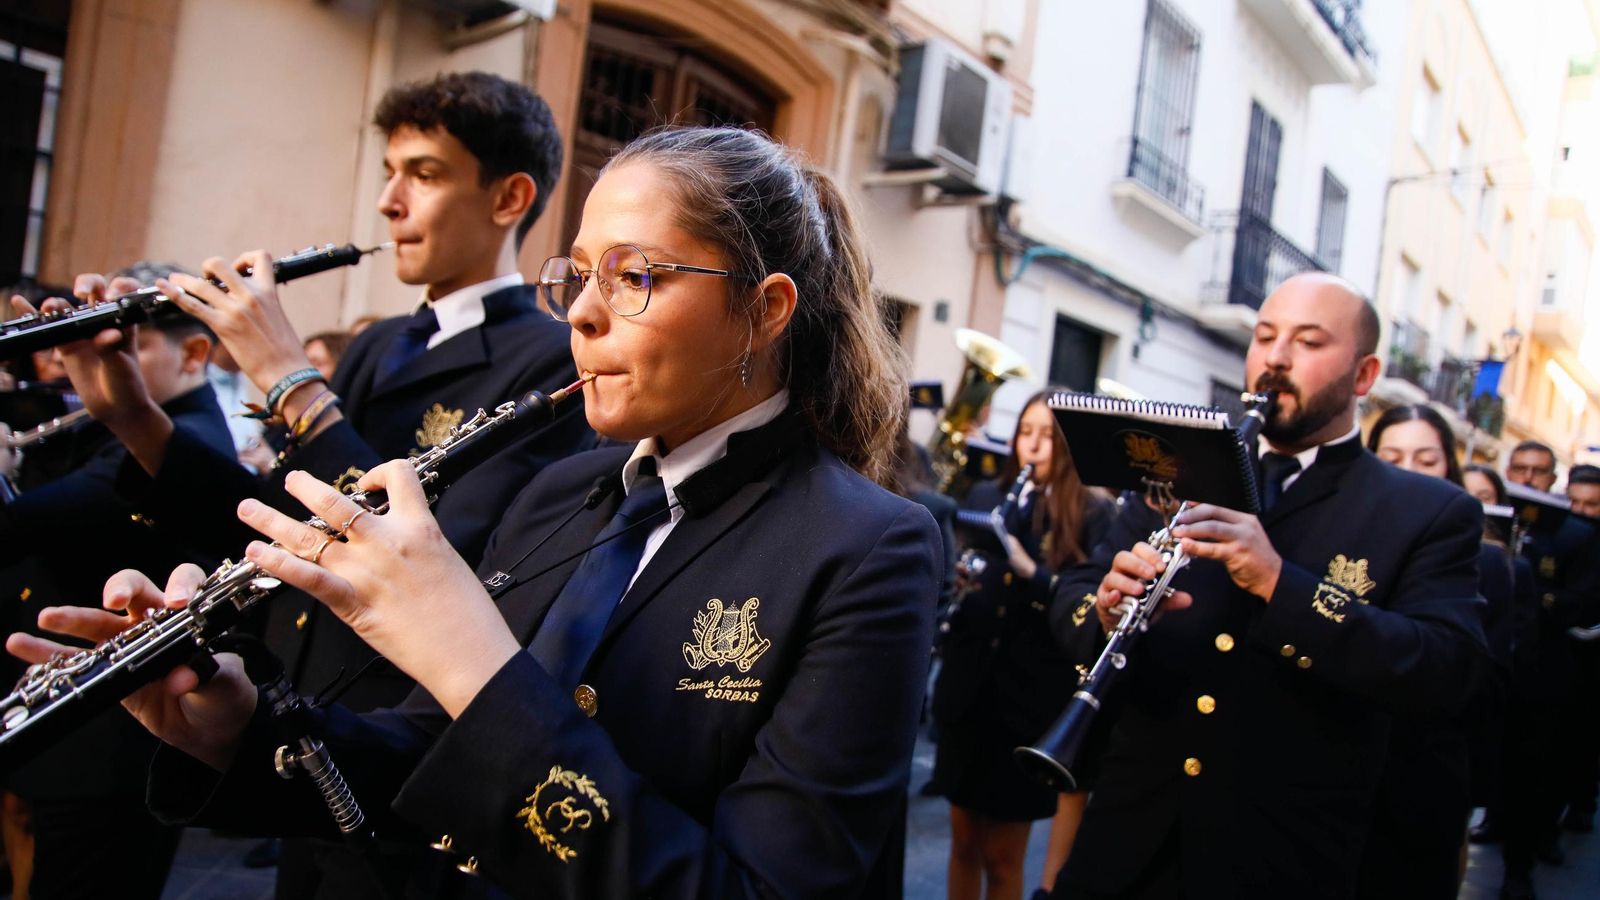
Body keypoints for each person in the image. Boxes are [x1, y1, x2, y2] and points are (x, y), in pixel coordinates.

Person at [12, 126, 941, 898]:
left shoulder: (867, 547)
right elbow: (424, 756)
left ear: (765, 309)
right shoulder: (557, 493)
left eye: (632, 276)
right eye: (577, 275)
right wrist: (233, 724)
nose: (581, 312)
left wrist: (469, 655)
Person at [47, 71, 592, 899]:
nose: (389, 201)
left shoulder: (550, 358)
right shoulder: (381, 350)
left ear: (510, 197)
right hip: (304, 725)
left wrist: (288, 377)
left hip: (402, 754)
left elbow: (443, 553)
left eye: (426, 173)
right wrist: (131, 414)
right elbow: (278, 528)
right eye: (389, 171)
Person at [1046, 273, 1486, 899]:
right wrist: (1107, 612)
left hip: (1283, 862)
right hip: (1124, 850)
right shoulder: (1177, 468)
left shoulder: (1426, 512)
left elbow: (1447, 671)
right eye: (1265, 337)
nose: (1275, 359)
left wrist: (1281, 584)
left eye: (1308, 342)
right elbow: (1076, 593)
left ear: (1363, 376)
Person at [1, 262, 237, 900]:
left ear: (193, 352)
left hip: (110, 749)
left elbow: (26, 523)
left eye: (137, 341)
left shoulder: (188, 441)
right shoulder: (103, 428)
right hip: (59, 729)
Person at [932, 390, 1110, 900]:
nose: (1033, 446)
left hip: (1028, 701)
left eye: (1048, 436)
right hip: (970, 693)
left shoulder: (1090, 515)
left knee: (1003, 857)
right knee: (963, 842)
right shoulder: (989, 496)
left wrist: (1034, 575)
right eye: (1025, 433)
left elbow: (1084, 612)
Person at [1359, 404, 1511, 898]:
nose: (1408, 473)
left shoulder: (1484, 564)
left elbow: (1480, 684)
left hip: (1419, 785)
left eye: (1426, 460)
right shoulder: (1339, 541)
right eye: (1392, 457)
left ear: (1450, 466)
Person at [1499, 439, 1600, 896]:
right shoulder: (1485, 518)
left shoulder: (1574, 534)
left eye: (1538, 471)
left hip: (1545, 671)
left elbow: (1579, 604)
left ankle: (1521, 863)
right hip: (1491, 666)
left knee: (1534, 767)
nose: (1527, 478)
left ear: (1552, 477)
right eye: (1519, 468)